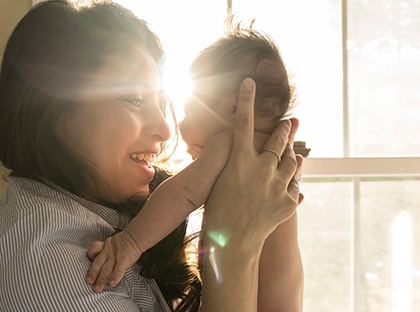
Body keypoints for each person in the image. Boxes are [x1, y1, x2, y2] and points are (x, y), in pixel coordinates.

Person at [0, 1, 302, 311]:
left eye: (160, 102)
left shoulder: (101, 220)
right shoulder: (48, 263)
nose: (165, 129)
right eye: (134, 99)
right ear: (48, 107)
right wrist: (236, 250)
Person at [85, 21, 304, 311]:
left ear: (233, 108)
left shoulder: (230, 145)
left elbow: (182, 194)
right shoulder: (272, 159)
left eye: (189, 108)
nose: (177, 124)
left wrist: (130, 243)